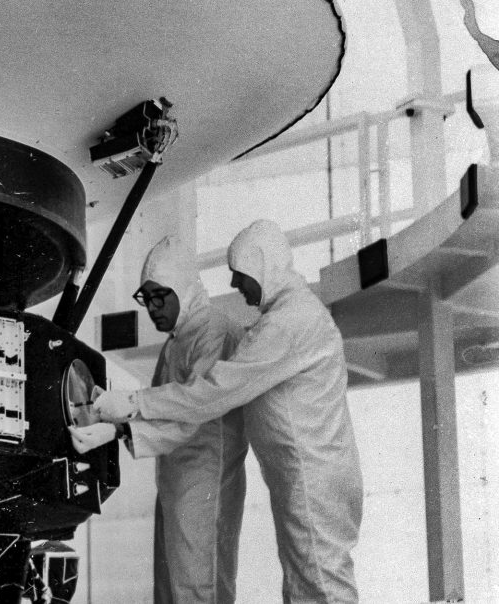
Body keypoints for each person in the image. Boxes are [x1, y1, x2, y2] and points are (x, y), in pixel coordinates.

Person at [94, 219, 363, 604]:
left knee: (318, 583)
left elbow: (212, 393)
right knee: (306, 582)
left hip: (309, 474)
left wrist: (131, 407)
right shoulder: (281, 317)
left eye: (240, 273)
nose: (235, 284)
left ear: (263, 265)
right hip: (301, 473)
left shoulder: (288, 322)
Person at [69, 236, 247, 604]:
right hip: (176, 482)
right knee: (169, 591)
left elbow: (194, 409)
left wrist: (127, 411)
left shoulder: (215, 330)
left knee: (198, 589)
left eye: (160, 297)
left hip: (206, 483)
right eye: (146, 298)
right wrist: (115, 427)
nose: (152, 308)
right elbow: (163, 411)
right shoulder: (176, 340)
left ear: (185, 287)